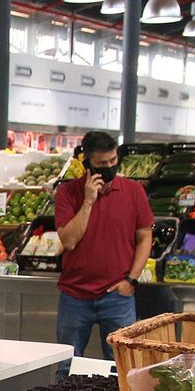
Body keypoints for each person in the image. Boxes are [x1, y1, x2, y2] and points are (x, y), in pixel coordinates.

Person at [53, 131, 154, 365]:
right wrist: (88, 200)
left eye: (113, 161)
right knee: (67, 366)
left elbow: (144, 237)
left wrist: (131, 280)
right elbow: (69, 241)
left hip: (118, 295)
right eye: (101, 164)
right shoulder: (68, 193)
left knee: (122, 366)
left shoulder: (134, 191)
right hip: (74, 295)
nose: (109, 167)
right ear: (87, 163)